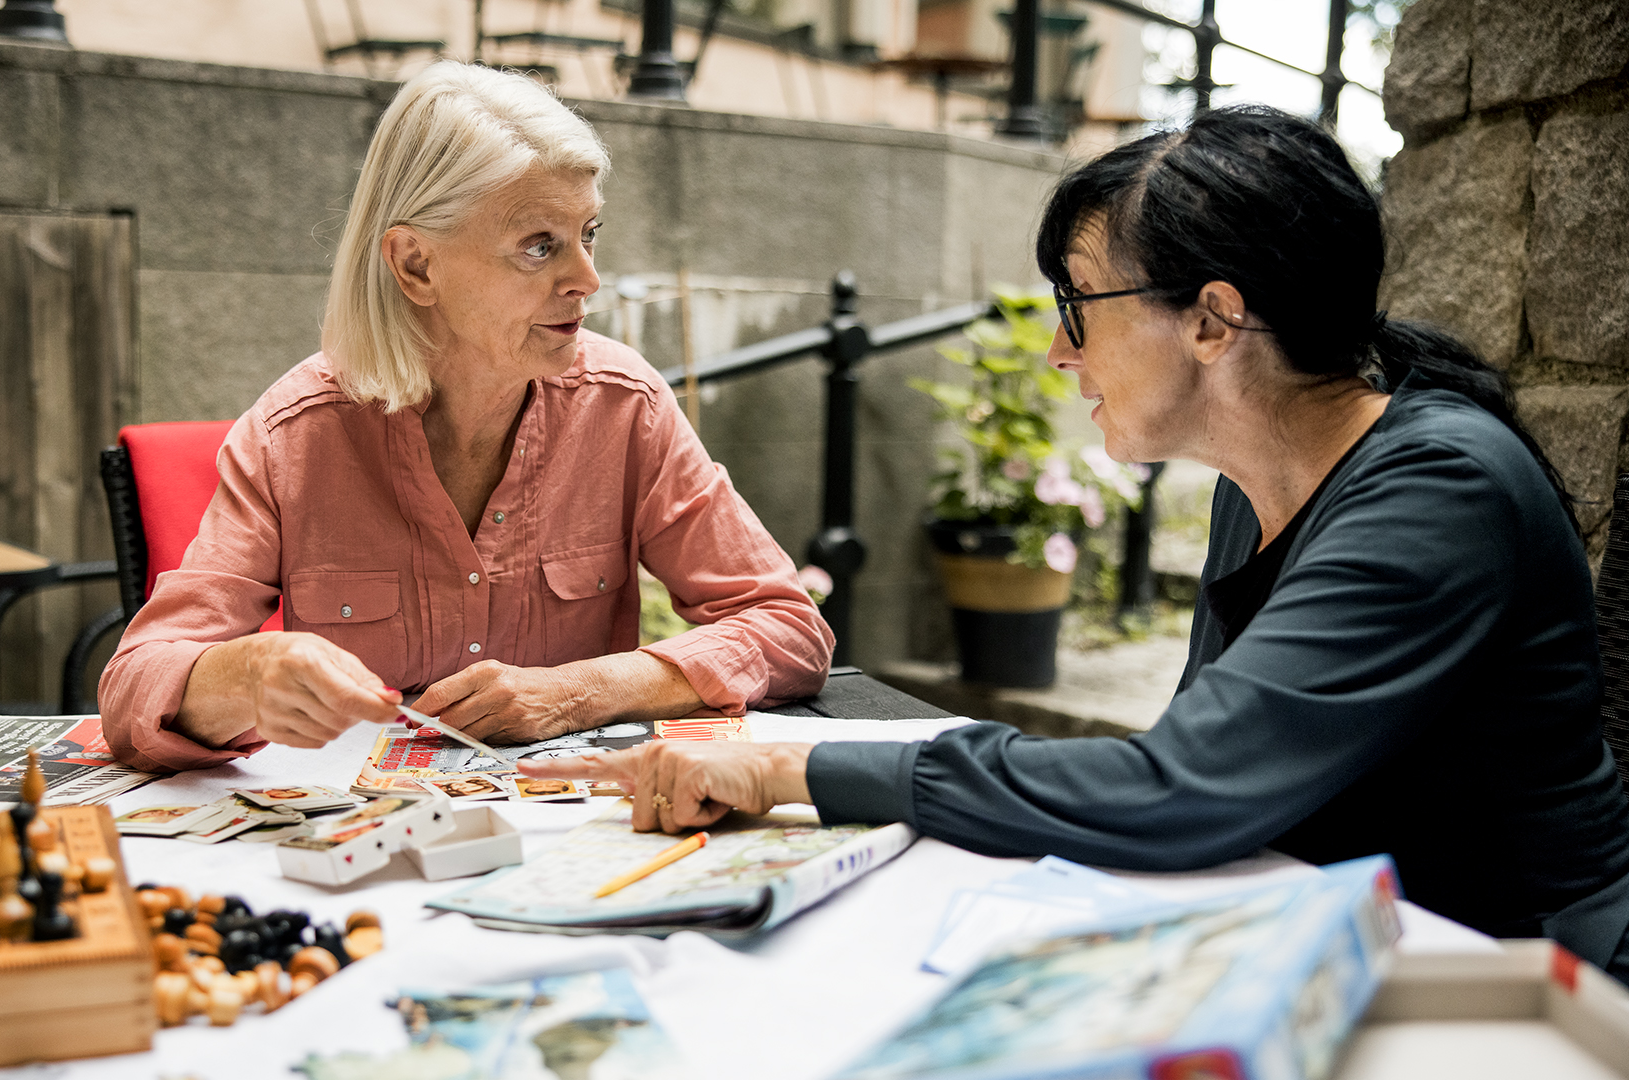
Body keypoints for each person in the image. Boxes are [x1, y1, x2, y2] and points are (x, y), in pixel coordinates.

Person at [526, 105, 1629, 979]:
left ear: (1212, 319)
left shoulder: (1441, 489)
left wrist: (784, 764)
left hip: (1516, 980)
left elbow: (1176, 789)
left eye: (1079, 303)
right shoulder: (1262, 479)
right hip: (1333, 928)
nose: (1059, 350)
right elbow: (1194, 775)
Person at [99, 62, 833, 775]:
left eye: (590, 234)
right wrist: (246, 672)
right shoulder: (293, 434)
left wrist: (582, 692)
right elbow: (137, 684)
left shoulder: (624, 405)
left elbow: (789, 628)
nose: (587, 279)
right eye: (539, 246)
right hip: (362, 855)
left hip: (568, 847)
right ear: (416, 265)